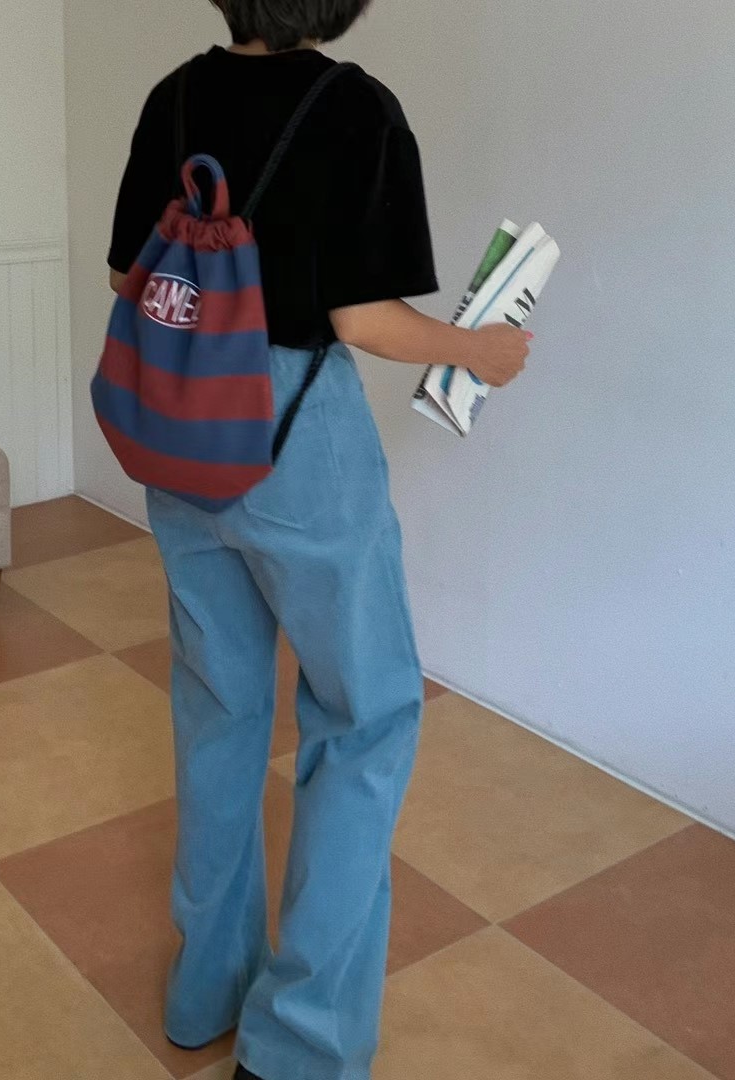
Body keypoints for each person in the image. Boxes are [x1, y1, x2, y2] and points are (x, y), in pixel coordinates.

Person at [106, 4, 529, 1078]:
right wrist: (475, 350)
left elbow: (128, 279)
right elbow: (360, 320)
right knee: (364, 716)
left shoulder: (174, 97)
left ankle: (205, 989)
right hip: (296, 438)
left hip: (178, 434)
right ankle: (297, 1044)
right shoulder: (357, 109)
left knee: (219, 710)